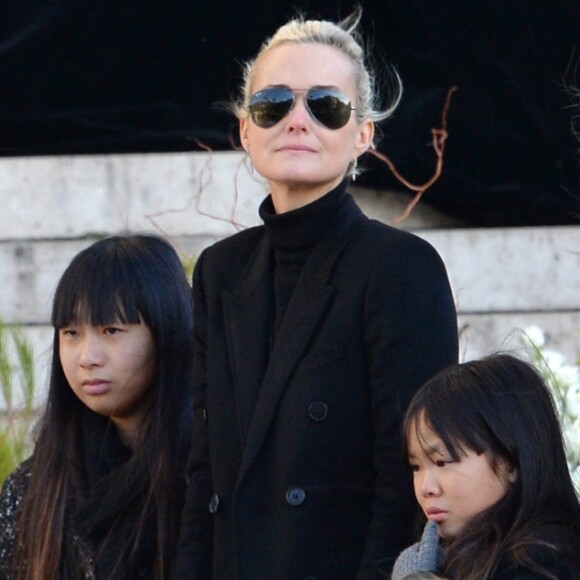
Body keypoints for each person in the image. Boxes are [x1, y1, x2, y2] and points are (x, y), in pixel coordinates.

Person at [176, 8, 458, 579]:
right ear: (245, 129)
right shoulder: (219, 271)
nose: (297, 121)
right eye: (273, 104)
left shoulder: (402, 268)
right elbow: (205, 472)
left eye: (325, 106)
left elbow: (408, 476)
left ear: (363, 134)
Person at [0, 234, 194, 579]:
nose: (87, 358)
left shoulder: (211, 475)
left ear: (167, 333)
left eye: (111, 330)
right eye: (71, 333)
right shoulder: (33, 490)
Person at [392, 353, 580, 579]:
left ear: (510, 461)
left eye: (442, 461)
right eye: (416, 467)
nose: (426, 487)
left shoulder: (544, 562)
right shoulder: (452, 555)